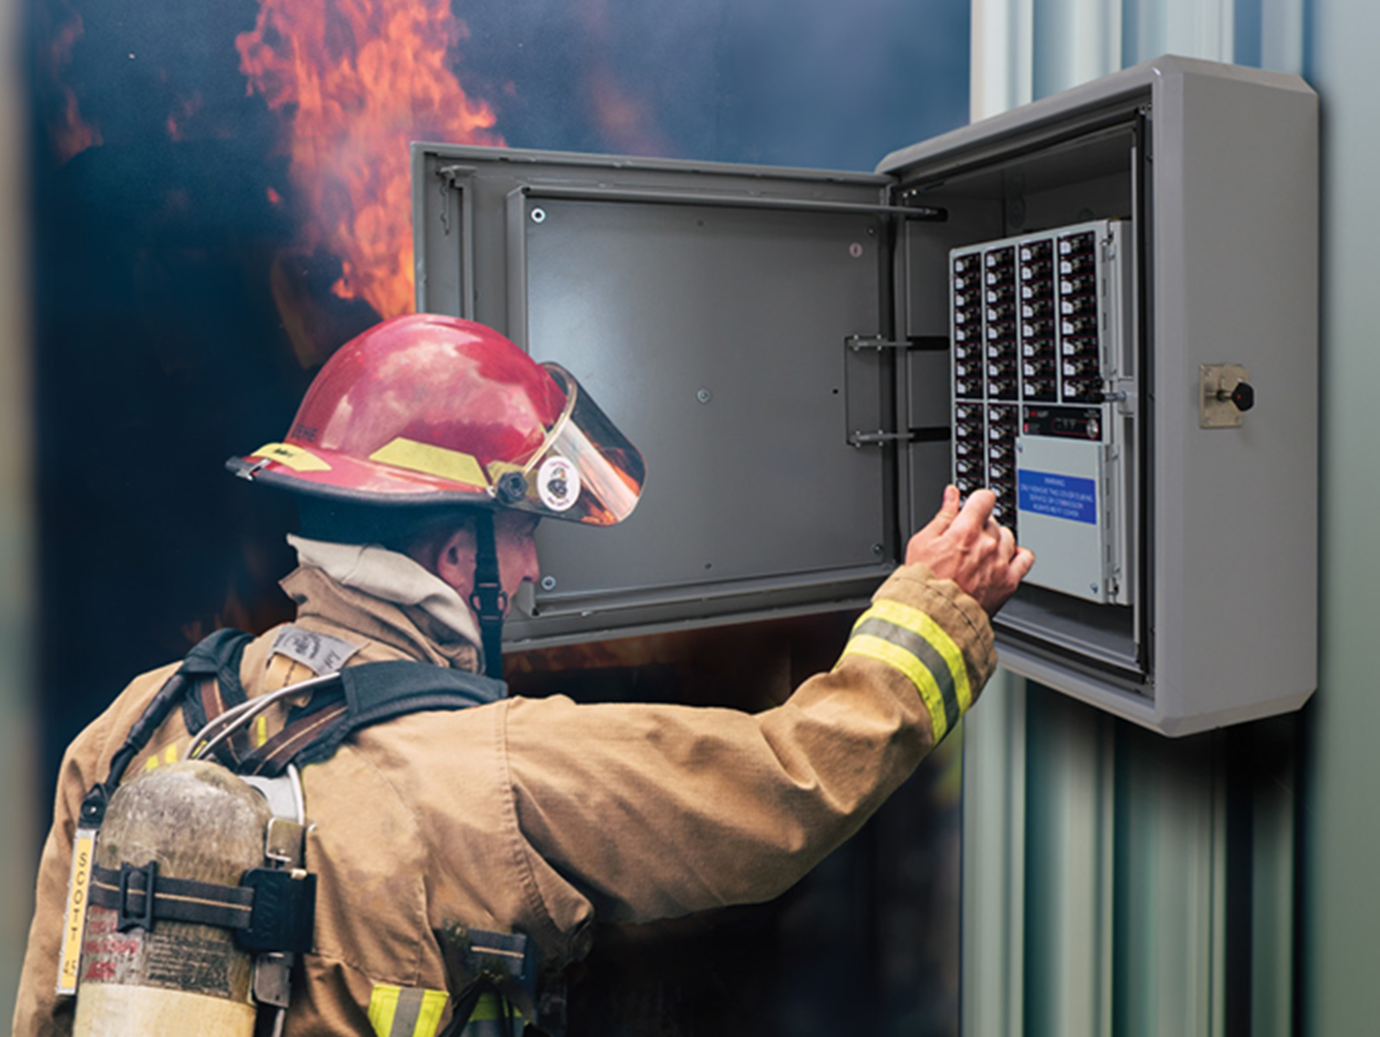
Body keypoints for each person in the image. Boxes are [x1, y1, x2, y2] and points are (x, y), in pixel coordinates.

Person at [13, 314, 1033, 1037]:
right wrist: (934, 606)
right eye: (524, 533)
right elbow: (785, 781)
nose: (539, 567)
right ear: (456, 554)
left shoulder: (131, 719)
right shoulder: (485, 769)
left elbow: (46, 1007)